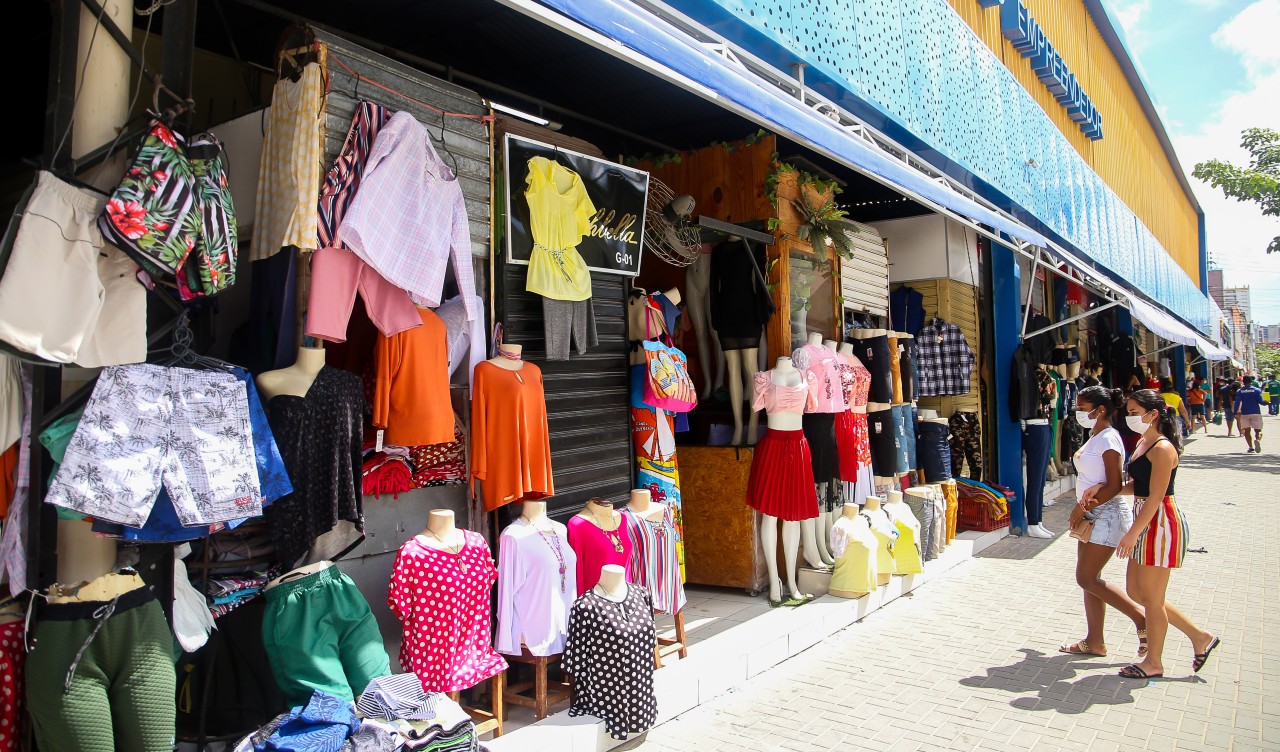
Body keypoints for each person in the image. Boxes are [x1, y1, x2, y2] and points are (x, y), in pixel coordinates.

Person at [1099, 389, 1218, 679]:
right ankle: (1199, 636)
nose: (1129, 417)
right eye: (1127, 411)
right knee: (1137, 592)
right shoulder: (1143, 442)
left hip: (1160, 521)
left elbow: (1156, 496)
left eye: (1135, 412)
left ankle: (1154, 662)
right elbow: (1138, 486)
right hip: (1145, 518)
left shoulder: (1163, 449)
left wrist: (1132, 534)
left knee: (1151, 598)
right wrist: (1104, 493)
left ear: (1153, 415)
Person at [1059, 386, 1147, 660]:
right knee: (1090, 580)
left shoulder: (1108, 439)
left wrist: (1082, 509)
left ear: (1101, 410)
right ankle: (1094, 641)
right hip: (1093, 513)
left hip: (1106, 514)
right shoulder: (1096, 436)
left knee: (1085, 577)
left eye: (1083, 408)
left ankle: (1142, 620)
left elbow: (1114, 485)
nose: (1078, 412)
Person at [1234, 375, 1265, 453]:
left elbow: (1237, 403)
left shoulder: (1240, 391)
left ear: (1243, 382)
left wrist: (1236, 412)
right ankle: (1257, 439)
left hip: (1245, 413)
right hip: (1256, 412)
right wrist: (1266, 403)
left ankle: (1251, 447)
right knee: (1258, 430)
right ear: (1251, 381)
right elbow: (1261, 401)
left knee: (1247, 431)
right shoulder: (1257, 390)